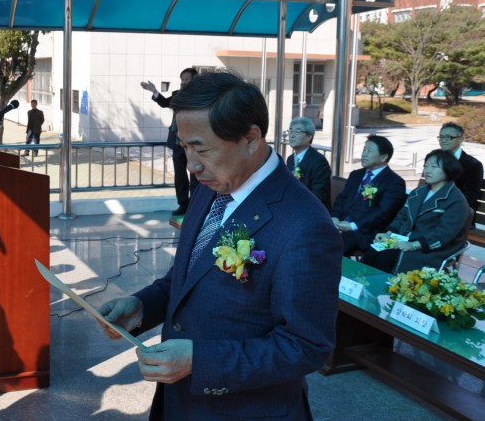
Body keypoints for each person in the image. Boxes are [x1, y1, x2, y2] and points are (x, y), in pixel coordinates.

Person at [100, 71, 341, 420]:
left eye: (202, 148)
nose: (192, 165)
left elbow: (306, 346)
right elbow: (188, 276)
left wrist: (201, 362)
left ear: (251, 138)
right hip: (179, 403)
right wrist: (142, 306)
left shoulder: (304, 224)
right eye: (184, 147)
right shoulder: (210, 187)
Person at [361, 149, 471, 273]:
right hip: (404, 240)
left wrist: (414, 245)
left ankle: (379, 285)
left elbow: (444, 234)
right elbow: (402, 217)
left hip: (429, 248)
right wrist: (389, 233)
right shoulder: (418, 192)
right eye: (426, 166)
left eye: (434, 167)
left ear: (448, 169)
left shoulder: (456, 200)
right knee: (373, 251)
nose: (427, 170)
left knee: (385, 257)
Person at [331, 134, 406, 257]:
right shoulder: (356, 174)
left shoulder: (394, 182)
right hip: (341, 223)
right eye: (364, 150)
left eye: (369, 151)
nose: (364, 154)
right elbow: (342, 198)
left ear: (383, 157)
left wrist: (352, 226)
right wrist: (334, 217)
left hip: (364, 232)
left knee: (332, 245)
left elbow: (382, 213)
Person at [141, 68, 198, 216]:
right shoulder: (177, 95)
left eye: (187, 79)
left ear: (195, 80)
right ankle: (183, 204)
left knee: (195, 175)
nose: (184, 82)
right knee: (180, 175)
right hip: (178, 142)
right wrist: (154, 91)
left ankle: (195, 206)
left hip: (194, 143)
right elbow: (165, 103)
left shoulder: (201, 95)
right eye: (182, 79)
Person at [438, 122, 483, 221]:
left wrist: (440, 205)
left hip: (457, 215)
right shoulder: (435, 159)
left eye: (448, 137)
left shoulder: (473, 165)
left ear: (461, 139)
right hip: (432, 211)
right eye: (441, 137)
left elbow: (470, 197)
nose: (443, 140)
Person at [285, 116, 331, 209]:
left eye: (297, 132)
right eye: (291, 131)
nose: (292, 135)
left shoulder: (319, 162)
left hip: (312, 210)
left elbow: (318, 195)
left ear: (309, 137)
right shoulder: (290, 159)